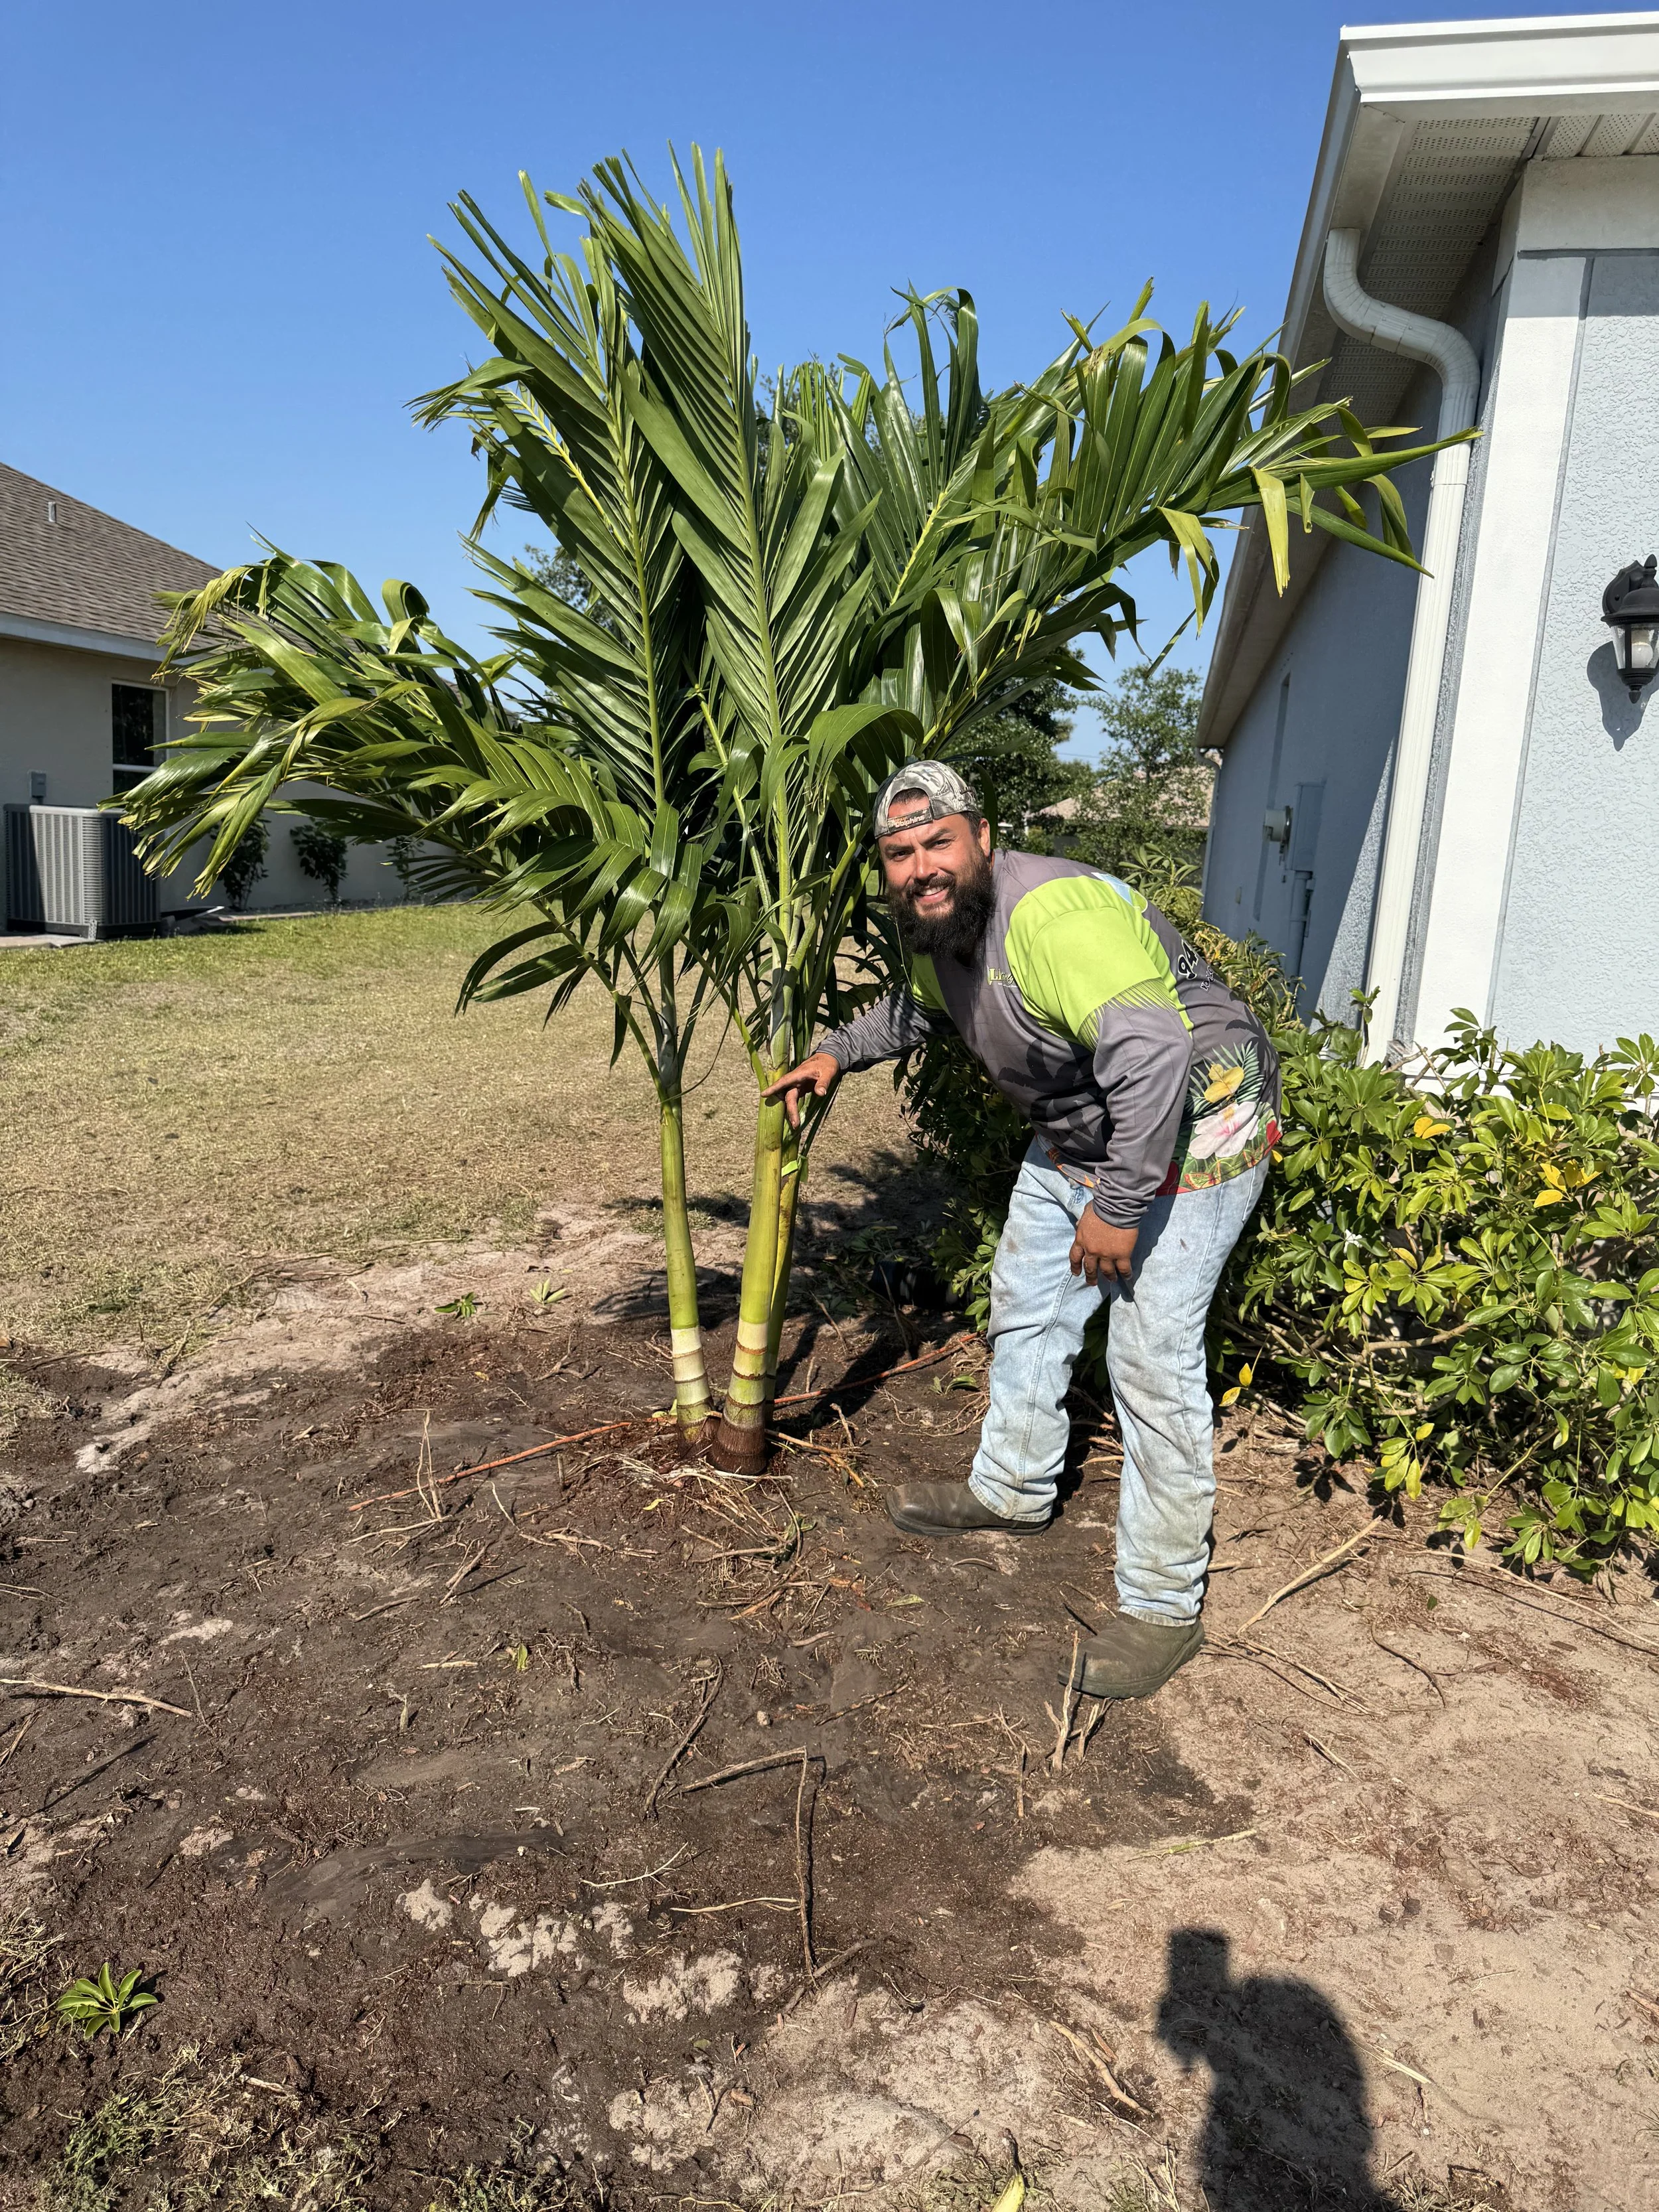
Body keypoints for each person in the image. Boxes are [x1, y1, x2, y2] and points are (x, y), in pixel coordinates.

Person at [764, 763, 1279, 1703]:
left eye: (938, 842)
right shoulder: (938, 927)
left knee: (1152, 1357)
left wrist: (1119, 1209)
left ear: (983, 838)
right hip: (1090, 1122)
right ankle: (1013, 1486)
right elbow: (916, 1010)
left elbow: (1157, 1055)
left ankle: (1163, 1606)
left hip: (1201, 1116)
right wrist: (835, 1053)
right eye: (900, 852)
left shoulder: (1050, 917)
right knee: (1029, 1297)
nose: (922, 866)